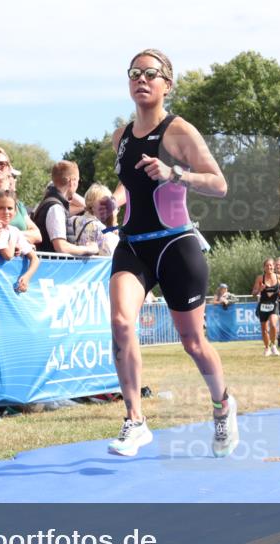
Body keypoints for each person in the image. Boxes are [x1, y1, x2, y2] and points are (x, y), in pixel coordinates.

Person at [103, 48, 237, 457]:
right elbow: (131, 184)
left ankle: (223, 406)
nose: (141, 79)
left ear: (167, 84)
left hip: (176, 244)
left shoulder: (179, 131)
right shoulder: (120, 137)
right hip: (133, 246)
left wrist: (174, 172)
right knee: (122, 322)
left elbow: (219, 184)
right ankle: (135, 420)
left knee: (193, 341)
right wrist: (113, 201)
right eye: (135, 73)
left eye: (151, 73)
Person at [33, 161, 98, 256]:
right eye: (77, 181)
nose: (78, 185)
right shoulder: (55, 208)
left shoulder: (50, 203)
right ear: (71, 181)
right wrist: (88, 249)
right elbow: (61, 247)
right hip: (52, 268)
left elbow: (84, 206)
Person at [0, 190, 40, 292]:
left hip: (7, 284)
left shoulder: (14, 230)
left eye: (10, 208)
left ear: (15, 211)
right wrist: (13, 240)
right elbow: (8, 255)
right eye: (1, 208)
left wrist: (26, 277)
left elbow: (35, 259)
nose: (6, 212)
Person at [252, 258, 280, 356]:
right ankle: (267, 348)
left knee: (273, 325)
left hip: (274, 304)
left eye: (271, 265)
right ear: (264, 268)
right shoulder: (260, 278)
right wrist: (260, 289)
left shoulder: (279, 277)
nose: (269, 267)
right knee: (264, 329)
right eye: (267, 265)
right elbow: (253, 293)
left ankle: (273, 345)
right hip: (263, 305)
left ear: (274, 266)